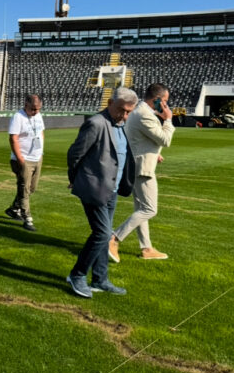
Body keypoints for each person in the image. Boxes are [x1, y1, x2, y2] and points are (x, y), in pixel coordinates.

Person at [65, 87, 138, 299]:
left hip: (112, 190)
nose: (124, 116)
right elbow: (75, 154)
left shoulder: (122, 125)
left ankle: (100, 279)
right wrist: (75, 179)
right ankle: (77, 275)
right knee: (102, 234)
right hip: (94, 188)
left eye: (128, 112)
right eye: (122, 110)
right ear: (110, 103)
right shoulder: (96, 123)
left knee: (105, 237)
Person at [110, 83, 175, 262]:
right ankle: (114, 238)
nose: (166, 105)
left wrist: (156, 154)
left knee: (141, 208)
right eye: (165, 101)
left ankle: (146, 248)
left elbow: (143, 140)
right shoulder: (145, 114)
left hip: (139, 164)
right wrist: (168, 119)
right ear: (157, 100)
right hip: (142, 169)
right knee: (149, 209)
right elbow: (165, 139)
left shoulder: (143, 112)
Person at [5, 94, 45, 231]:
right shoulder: (18, 117)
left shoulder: (38, 116)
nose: (36, 112)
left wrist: (41, 152)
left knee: (31, 188)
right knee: (24, 187)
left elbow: (41, 132)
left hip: (37, 157)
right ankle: (27, 218)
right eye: (33, 109)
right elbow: (13, 138)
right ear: (26, 105)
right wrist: (20, 159)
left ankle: (14, 208)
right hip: (23, 159)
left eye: (38, 109)